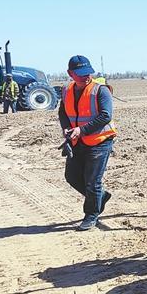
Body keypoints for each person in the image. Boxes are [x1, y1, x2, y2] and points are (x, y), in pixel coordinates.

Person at [58, 55, 117, 230]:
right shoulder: (67, 90)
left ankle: (91, 215)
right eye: (81, 74)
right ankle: (100, 197)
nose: (86, 77)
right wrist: (66, 128)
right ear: (70, 74)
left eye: (88, 73)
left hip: (100, 141)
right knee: (72, 176)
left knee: (92, 181)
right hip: (78, 141)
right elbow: (63, 112)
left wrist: (81, 130)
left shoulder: (100, 90)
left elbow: (106, 115)